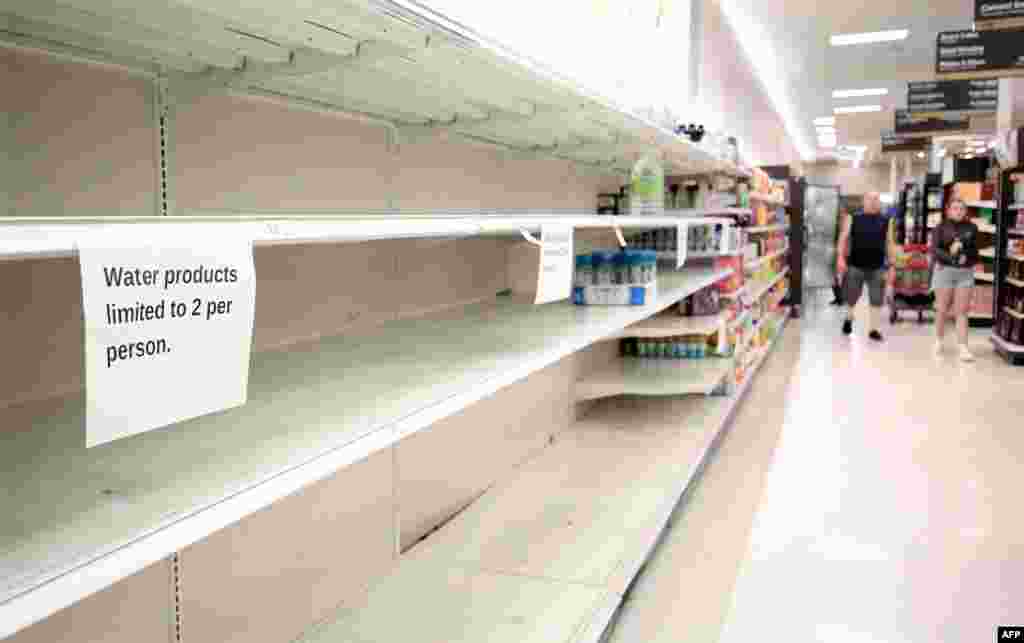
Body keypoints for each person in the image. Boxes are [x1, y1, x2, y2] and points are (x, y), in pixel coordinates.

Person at [836, 192, 898, 341]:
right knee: (851, 296)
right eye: (870, 199)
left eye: (876, 199)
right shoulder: (852, 218)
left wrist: (892, 265)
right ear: (863, 201)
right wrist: (840, 258)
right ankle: (849, 317)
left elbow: (889, 243)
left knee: (877, 298)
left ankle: (873, 329)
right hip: (855, 265)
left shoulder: (886, 220)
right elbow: (843, 239)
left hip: (877, 266)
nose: (873, 202)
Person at [931, 198, 978, 361]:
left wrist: (968, 258)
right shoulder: (940, 228)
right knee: (942, 309)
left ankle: (963, 347)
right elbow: (935, 250)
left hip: (965, 273)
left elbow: (975, 251)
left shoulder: (972, 227)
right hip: (945, 272)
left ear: (965, 211)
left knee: (962, 311)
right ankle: (938, 340)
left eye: (961, 209)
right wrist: (952, 259)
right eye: (955, 208)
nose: (958, 211)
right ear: (948, 210)